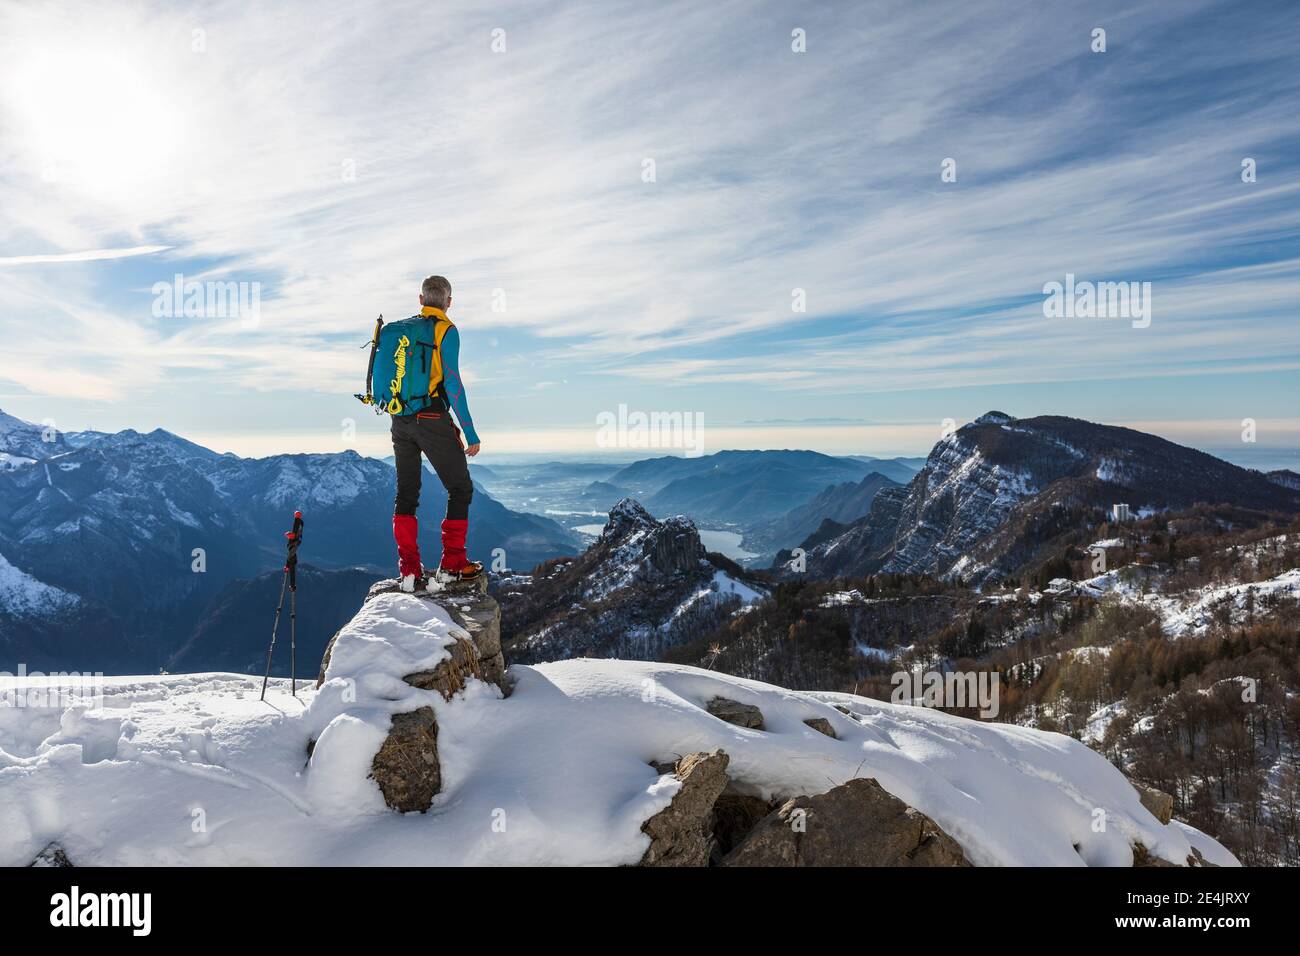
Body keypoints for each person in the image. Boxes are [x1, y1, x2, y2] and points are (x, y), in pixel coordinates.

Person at [391, 275, 482, 590]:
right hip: (430, 416)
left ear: (420, 299)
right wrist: (470, 432)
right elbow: (453, 384)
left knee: (406, 494)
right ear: (449, 302)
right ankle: (454, 562)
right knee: (460, 488)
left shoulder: (404, 330)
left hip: (399, 418)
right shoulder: (447, 330)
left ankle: (410, 571)